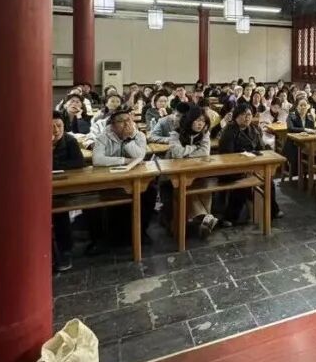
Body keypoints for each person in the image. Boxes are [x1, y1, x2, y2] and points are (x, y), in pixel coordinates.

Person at [92, 108, 155, 246]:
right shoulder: (103, 137)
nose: (126, 124)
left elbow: (139, 157)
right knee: (94, 198)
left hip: (133, 178)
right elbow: (97, 159)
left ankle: (141, 231)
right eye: (121, 121)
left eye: (128, 120)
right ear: (112, 125)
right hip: (109, 179)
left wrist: (128, 139)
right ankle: (101, 238)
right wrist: (124, 160)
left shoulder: (139, 135)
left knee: (150, 191)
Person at [218, 105, 282, 223]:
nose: (247, 118)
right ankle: (230, 217)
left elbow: (261, 148)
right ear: (236, 116)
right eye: (243, 114)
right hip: (234, 168)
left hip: (253, 166)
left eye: (249, 115)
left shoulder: (254, 129)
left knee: (269, 181)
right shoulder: (229, 131)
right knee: (243, 184)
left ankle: (273, 210)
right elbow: (226, 155)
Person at [168, 105, 218, 232]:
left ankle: (204, 221)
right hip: (178, 172)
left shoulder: (204, 133)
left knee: (206, 186)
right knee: (188, 188)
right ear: (190, 120)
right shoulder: (176, 133)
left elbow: (205, 152)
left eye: (203, 121)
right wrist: (194, 148)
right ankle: (205, 218)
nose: (200, 124)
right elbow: (177, 154)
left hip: (199, 169)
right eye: (197, 120)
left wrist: (186, 153)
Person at [51, 111, 84, 272]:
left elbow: (78, 163)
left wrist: (53, 165)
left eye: (59, 126)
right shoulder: (35, 140)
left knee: (59, 209)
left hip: (65, 186)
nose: (56, 130)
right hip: (40, 187)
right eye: (51, 127)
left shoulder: (70, 140)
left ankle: (65, 250)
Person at [284, 98, 316, 176]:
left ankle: (312, 172)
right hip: (293, 143)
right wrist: (304, 129)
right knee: (297, 151)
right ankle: (298, 173)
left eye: (305, 105)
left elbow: (312, 130)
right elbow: (290, 128)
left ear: (308, 106)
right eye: (301, 105)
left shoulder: (310, 117)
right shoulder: (291, 115)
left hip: (306, 143)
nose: (303, 107)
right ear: (297, 107)